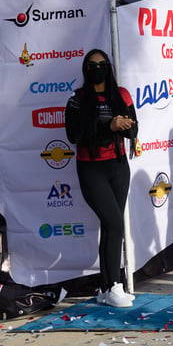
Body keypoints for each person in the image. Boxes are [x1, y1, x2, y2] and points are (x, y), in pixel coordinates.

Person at [64, 49, 138, 308]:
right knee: (114, 222)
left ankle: (107, 289)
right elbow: (74, 135)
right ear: (86, 69)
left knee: (111, 227)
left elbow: (134, 129)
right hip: (91, 168)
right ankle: (113, 285)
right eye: (92, 65)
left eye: (102, 64)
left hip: (118, 167)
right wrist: (109, 126)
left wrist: (125, 126)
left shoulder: (122, 94)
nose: (98, 68)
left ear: (109, 67)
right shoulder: (78, 99)